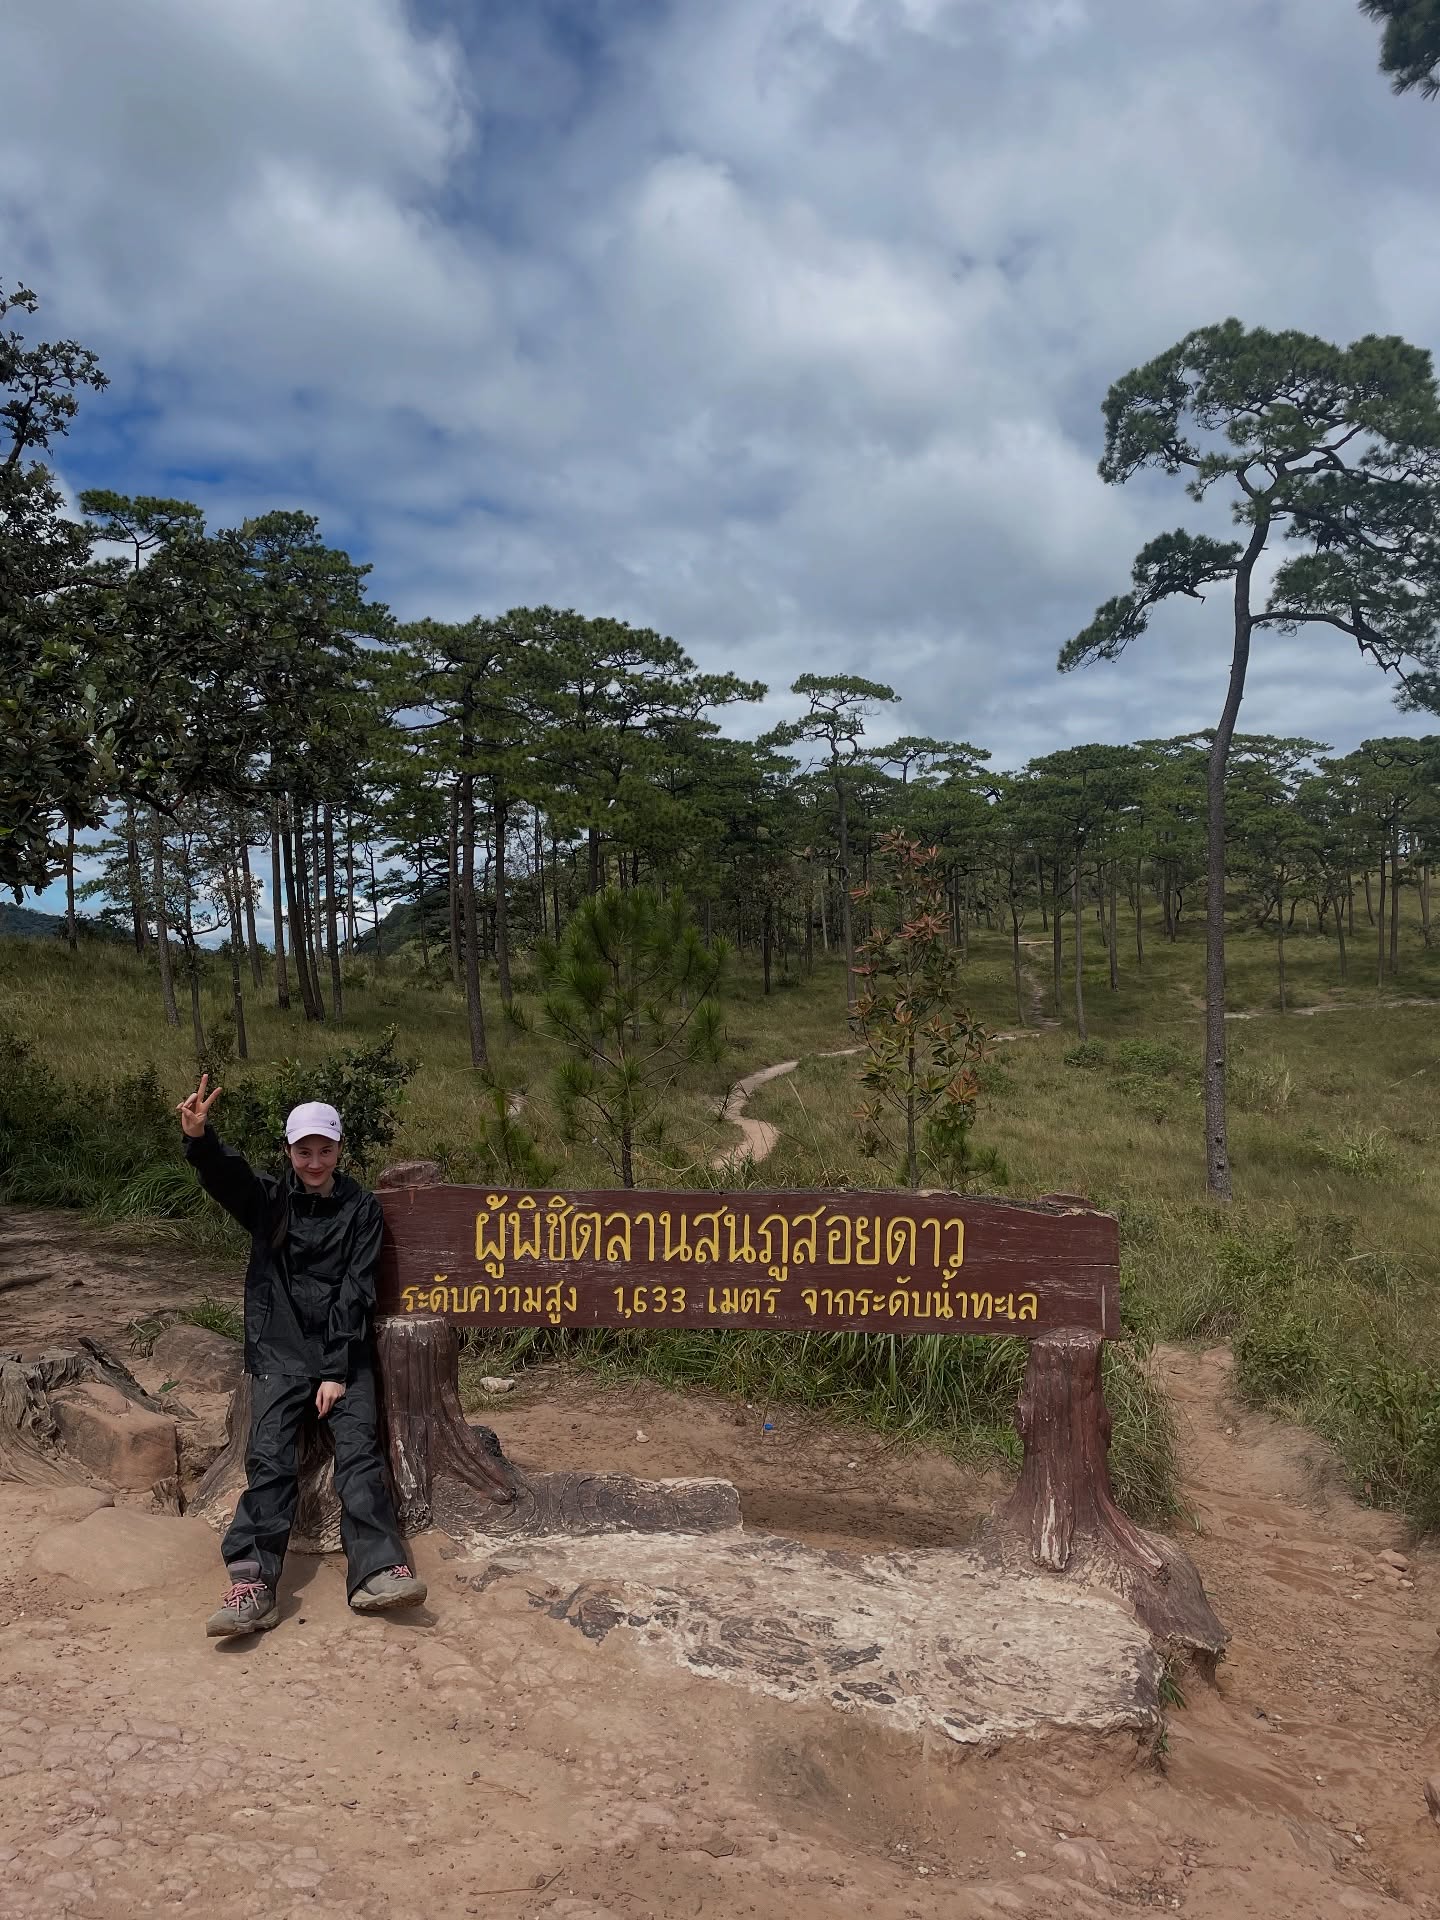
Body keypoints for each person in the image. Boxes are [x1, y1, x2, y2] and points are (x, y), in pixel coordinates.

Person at [177, 1075, 427, 1636]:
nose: (315, 1161)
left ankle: (378, 1570)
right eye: (303, 1150)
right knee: (268, 1461)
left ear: (339, 1150)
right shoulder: (268, 1201)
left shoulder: (361, 1208)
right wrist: (200, 1139)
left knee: (360, 1455)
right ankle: (251, 1584)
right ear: (289, 1152)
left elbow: (357, 1288)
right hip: (279, 1347)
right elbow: (227, 1176)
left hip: (344, 1352)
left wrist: (336, 1370)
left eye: (325, 1150)